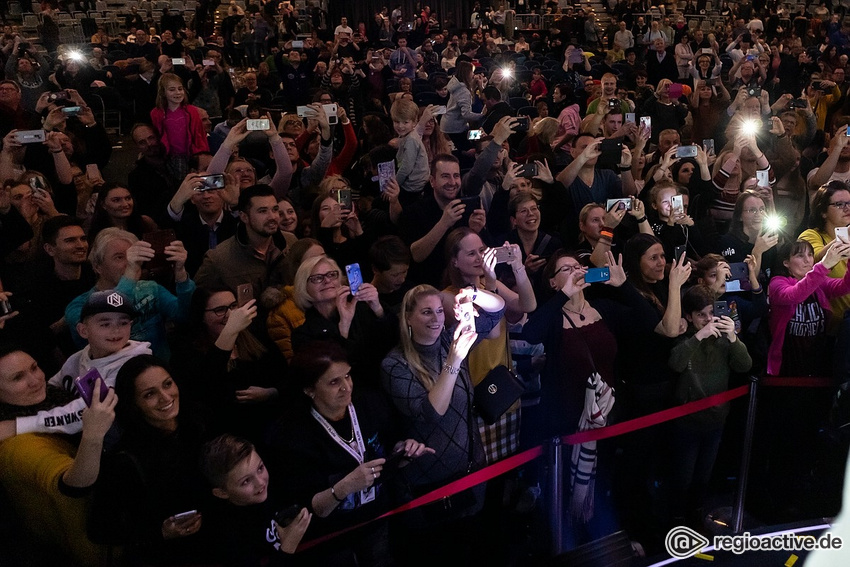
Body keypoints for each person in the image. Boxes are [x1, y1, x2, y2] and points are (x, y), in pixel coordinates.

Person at [266, 341, 433, 565]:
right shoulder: (293, 435)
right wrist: (345, 486)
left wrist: (404, 449)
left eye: (348, 376)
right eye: (334, 382)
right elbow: (308, 506)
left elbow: (391, 441)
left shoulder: (369, 403)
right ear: (309, 390)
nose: (347, 387)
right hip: (331, 538)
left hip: (376, 520)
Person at [380, 284, 504, 566]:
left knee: (471, 552)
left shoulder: (450, 340)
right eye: (426, 312)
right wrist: (453, 362)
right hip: (426, 486)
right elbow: (432, 412)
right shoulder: (395, 364)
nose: (436, 318)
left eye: (439, 310)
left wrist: (472, 295)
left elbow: (498, 311)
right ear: (408, 318)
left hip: (468, 471)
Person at [92, 355, 215, 565]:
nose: (166, 397)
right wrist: (161, 532)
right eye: (150, 394)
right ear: (134, 404)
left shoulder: (200, 421)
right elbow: (100, 530)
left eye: (167, 384)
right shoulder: (125, 460)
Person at [0, 289, 151, 440]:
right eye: (105, 324)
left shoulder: (135, 365)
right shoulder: (79, 357)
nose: (116, 330)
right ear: (83, 330)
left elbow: (87, 414)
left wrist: (16, 426)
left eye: (123, 323)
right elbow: (51, 388)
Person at [668, 285, 752, 525]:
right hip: (687, 423)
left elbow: (744, 365)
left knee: (703, 477)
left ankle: (696, 516)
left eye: (711, 313)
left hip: (716, 420)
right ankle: (676, 520)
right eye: (701, 315)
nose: (708, 319)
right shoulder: (684, 337)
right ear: (688, 316)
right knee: (682, 478)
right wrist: (698, 337)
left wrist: (734, 337)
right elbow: (676, 363)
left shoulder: (723, 339)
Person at [171, 287, 287, 440]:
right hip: (226, 433)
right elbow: (205, 388)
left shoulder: (256, 335)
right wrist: (230, 331)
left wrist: (271, 393)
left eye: (233, 306)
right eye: (220, 309)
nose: (231, 315)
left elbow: (286, 375)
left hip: (270, 422)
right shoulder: (188, 350)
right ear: (202, 316)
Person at [65, 228, 195, 361]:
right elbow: (112, 311)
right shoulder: (79, 306)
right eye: (119, 257)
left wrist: (181, 273)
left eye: (133, 256)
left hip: (159, 370)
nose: (129, 263)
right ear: (97, 266)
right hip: (111, 376)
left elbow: (185, 316)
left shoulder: (150, 288)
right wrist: (131, 273)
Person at [201, 434, 312, 564]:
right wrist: (288, 546)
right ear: (221, 493)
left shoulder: (274, 487)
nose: (260, 482)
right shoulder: (226, 536)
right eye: (246, 481)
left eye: (260, 468)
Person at [292, 255, 397, 390]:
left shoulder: (362, 307)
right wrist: (344, 326)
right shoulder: (303, 334)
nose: (327, 280)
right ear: (304, 287)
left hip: (383, 385)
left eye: (332, 274)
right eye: (318, 278)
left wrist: (378, 309)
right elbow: (329, 374)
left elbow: (393, 343)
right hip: (348, 396)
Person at [150, 73, 210, 181]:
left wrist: (203, 153)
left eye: (180, 88)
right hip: (168, 155)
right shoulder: (156, 113)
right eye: (172, 89)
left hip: (191, 154)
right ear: (163, 92)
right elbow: (157, 134)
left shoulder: (192, 111)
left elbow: (199, 134)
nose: (177, 93)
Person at [87, 183, 158, 242]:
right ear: (103, 205)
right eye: (116, 200)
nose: (125, 204)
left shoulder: (145, 223)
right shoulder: (96, 233)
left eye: (128, 198)